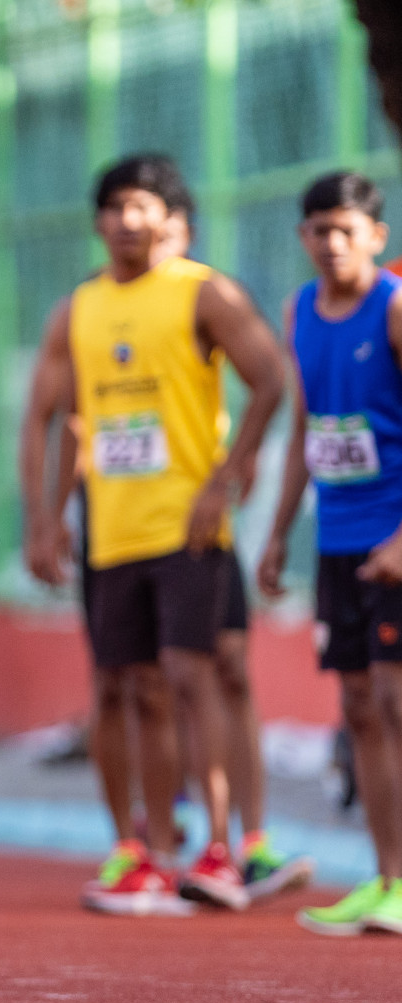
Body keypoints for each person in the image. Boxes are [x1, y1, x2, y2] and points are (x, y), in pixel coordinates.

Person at [21, 154, 283, 914]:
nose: (128, 221)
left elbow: (269, 377)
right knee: (120, 686)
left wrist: (227, 477)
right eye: (114, 207)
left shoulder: (204, 293)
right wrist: (46, 516)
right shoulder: (78, 309)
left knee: (193, 676)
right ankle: (145, 851)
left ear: (171, 217)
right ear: (98, 221)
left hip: (188, 525)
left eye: (143, 206)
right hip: (111, 529)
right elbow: (54, 419)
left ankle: (223, 845)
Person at [259, 171, 402, 935]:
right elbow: (309, 431)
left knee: (395, 703)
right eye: (318, 229)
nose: (331, 243)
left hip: (394, 537)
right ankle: (387, 879)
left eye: (346, 229)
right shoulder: (298, 311)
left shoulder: (395, 307)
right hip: (338, 540)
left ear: (376, 236)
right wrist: (281, 529)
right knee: (358, 712)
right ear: (302, 236)